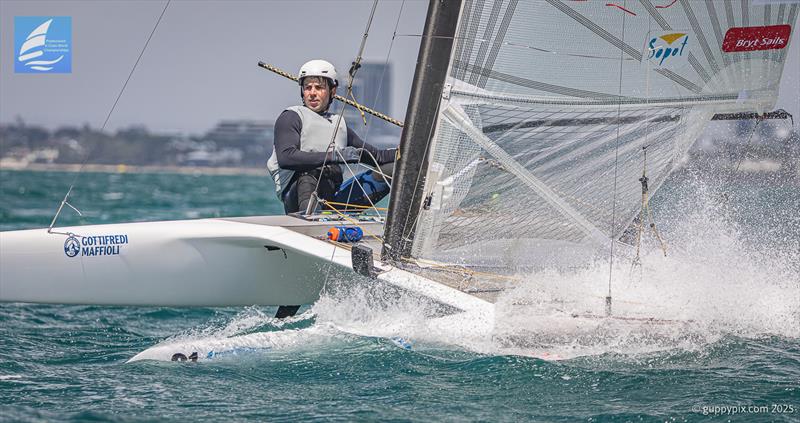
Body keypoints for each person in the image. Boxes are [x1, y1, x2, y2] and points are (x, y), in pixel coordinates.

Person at [267, 59, 397, 214]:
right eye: (308, 88)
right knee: (309, 174)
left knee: (395, 168)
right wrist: (335, 156)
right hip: (299, 200)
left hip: (334, 200)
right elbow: (286, 158)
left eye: (319, 87)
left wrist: (412, 151)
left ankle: (403, 229)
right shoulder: (291, 117)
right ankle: (309, 227)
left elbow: (378, 157)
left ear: (332, 91)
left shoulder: (338, 124)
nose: (312, 93)